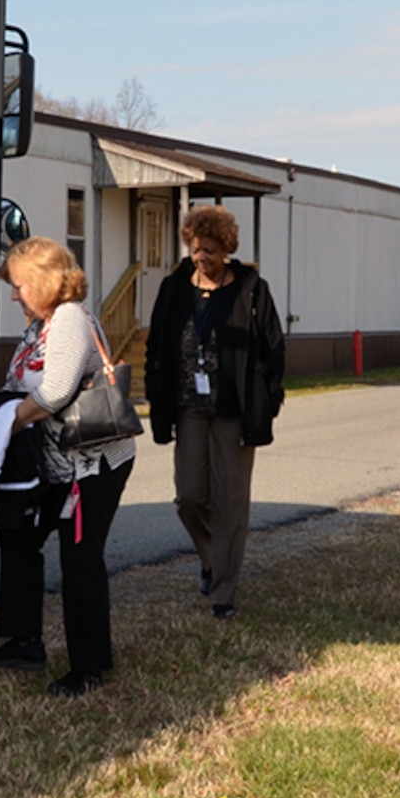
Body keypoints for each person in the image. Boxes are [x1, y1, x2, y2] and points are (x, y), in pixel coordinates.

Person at [0, 237, 136, 696]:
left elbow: (56, 393)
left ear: (43, 282)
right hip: (51, 464)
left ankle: (89, 667)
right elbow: (16, 383)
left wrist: (9, 420)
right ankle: (25, 642)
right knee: (19, 536)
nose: (12, 295)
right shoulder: (38, 325)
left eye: (19, 285)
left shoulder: (68, 319)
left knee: (80, 558)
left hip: (91, 464)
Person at [146, 206, 286, 620]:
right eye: (195, 249)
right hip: (189, 408)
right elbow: (157, 346)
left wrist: (266, 400)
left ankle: (223, 590)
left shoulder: (251, 290)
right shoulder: (174, 289)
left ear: (226, 249)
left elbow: (274, 348)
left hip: (233, 412)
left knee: (230, 503)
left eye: (209, 250)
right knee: (190, 497)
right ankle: (212, 558)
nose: (201, 257)